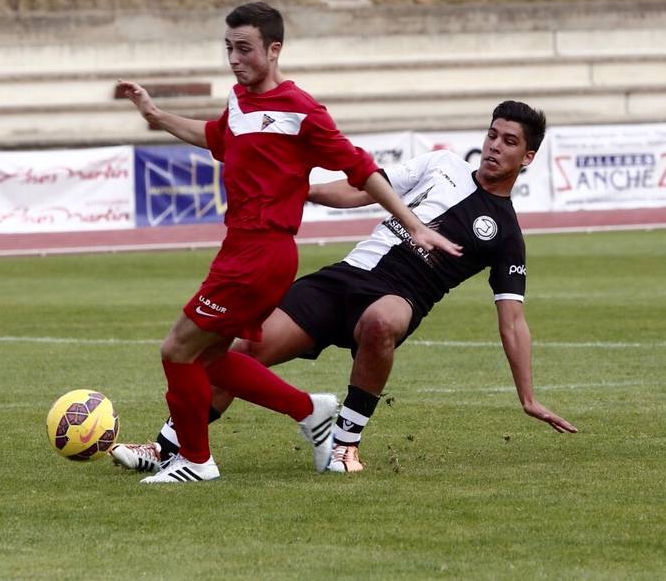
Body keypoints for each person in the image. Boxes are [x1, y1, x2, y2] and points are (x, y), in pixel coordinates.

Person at [111, 100, 576, 477]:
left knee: (381, 322)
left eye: (509, 141)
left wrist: (528, 397)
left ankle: (344, 444)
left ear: (527, 157)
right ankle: (169, 445)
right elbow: (362, 190)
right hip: (343, 278)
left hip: (402, 295)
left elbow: (512, 321)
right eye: (492, 134)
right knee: (242, 348)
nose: (495, 145)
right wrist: (304, 188)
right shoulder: (443, 164)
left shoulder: (507, 234)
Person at [114, 2, 461, 484]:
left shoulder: (301, 110)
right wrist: (156, 115)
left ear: (274, 50)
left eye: (245, 49)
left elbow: (361, 169)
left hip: (262, 253)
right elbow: (216, 136)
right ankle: (310, 411)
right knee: (211, 356)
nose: (235, 59)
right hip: (240, 249)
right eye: (229, 48)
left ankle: (194, 460)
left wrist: (413, 225)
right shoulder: (238, 101)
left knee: (177, 350)